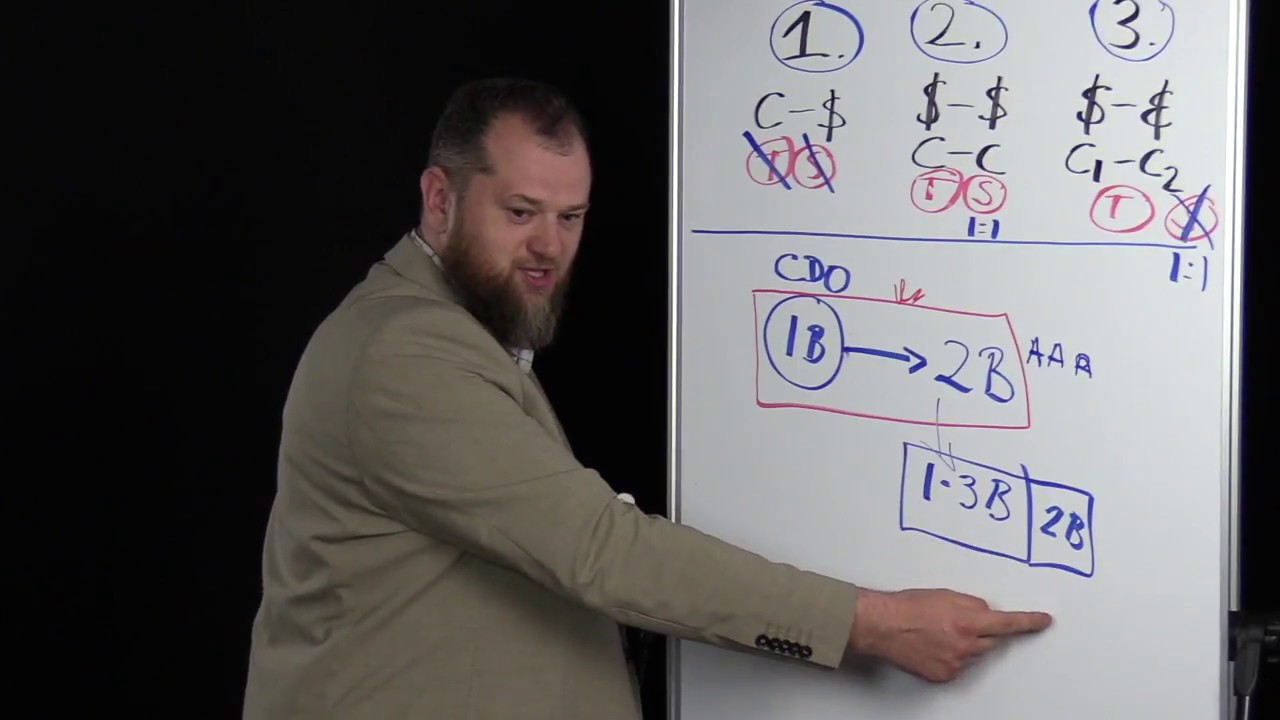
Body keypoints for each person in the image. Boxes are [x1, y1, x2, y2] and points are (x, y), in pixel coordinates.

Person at [241, 77, 1053, 719]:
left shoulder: (457, 334)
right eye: (521, 212)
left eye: (571, 217)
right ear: (440, 199)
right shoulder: (406, 353)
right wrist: (875, 623)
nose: (549, 246)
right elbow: (602, 551)